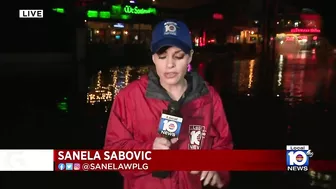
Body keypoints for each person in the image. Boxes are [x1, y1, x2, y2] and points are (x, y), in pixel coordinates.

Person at [104, 19, 233, 189]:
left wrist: (216, 168)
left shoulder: (210, 98)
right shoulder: (129, 97)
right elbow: (113, 153)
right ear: (153, 58)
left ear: (190, 57)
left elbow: (223, 146)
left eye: (178, 56)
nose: (170, 64)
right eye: (162, 56)